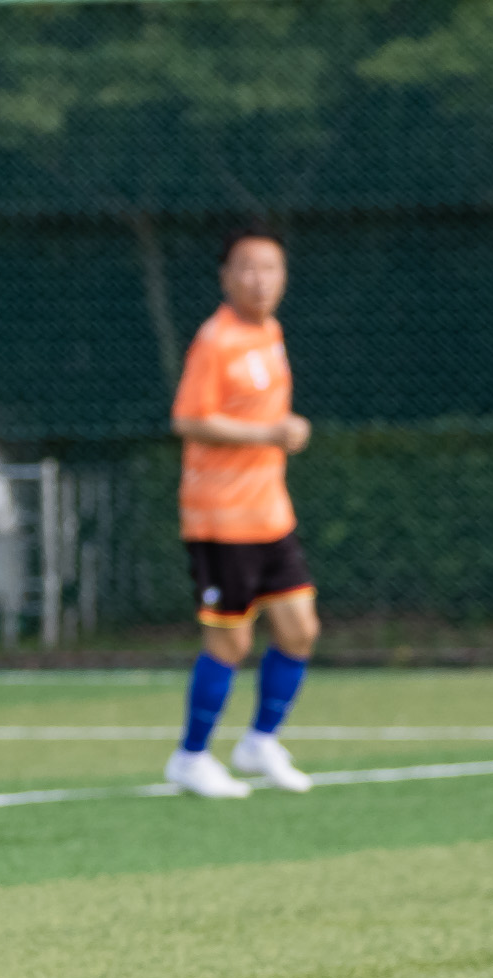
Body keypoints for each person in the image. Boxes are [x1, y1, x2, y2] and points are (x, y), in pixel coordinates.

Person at [163, 226, 320, 798]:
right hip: (221, 517)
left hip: (270, 512)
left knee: (300, 628)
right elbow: (190, 418)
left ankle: (259, 741)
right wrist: (270, 433)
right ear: (225, 276)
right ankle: (191, 755)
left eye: (271, 268)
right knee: (230, 642)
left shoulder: (270, 332)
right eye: (248, 268)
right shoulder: (216, 340)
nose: (260, 280)